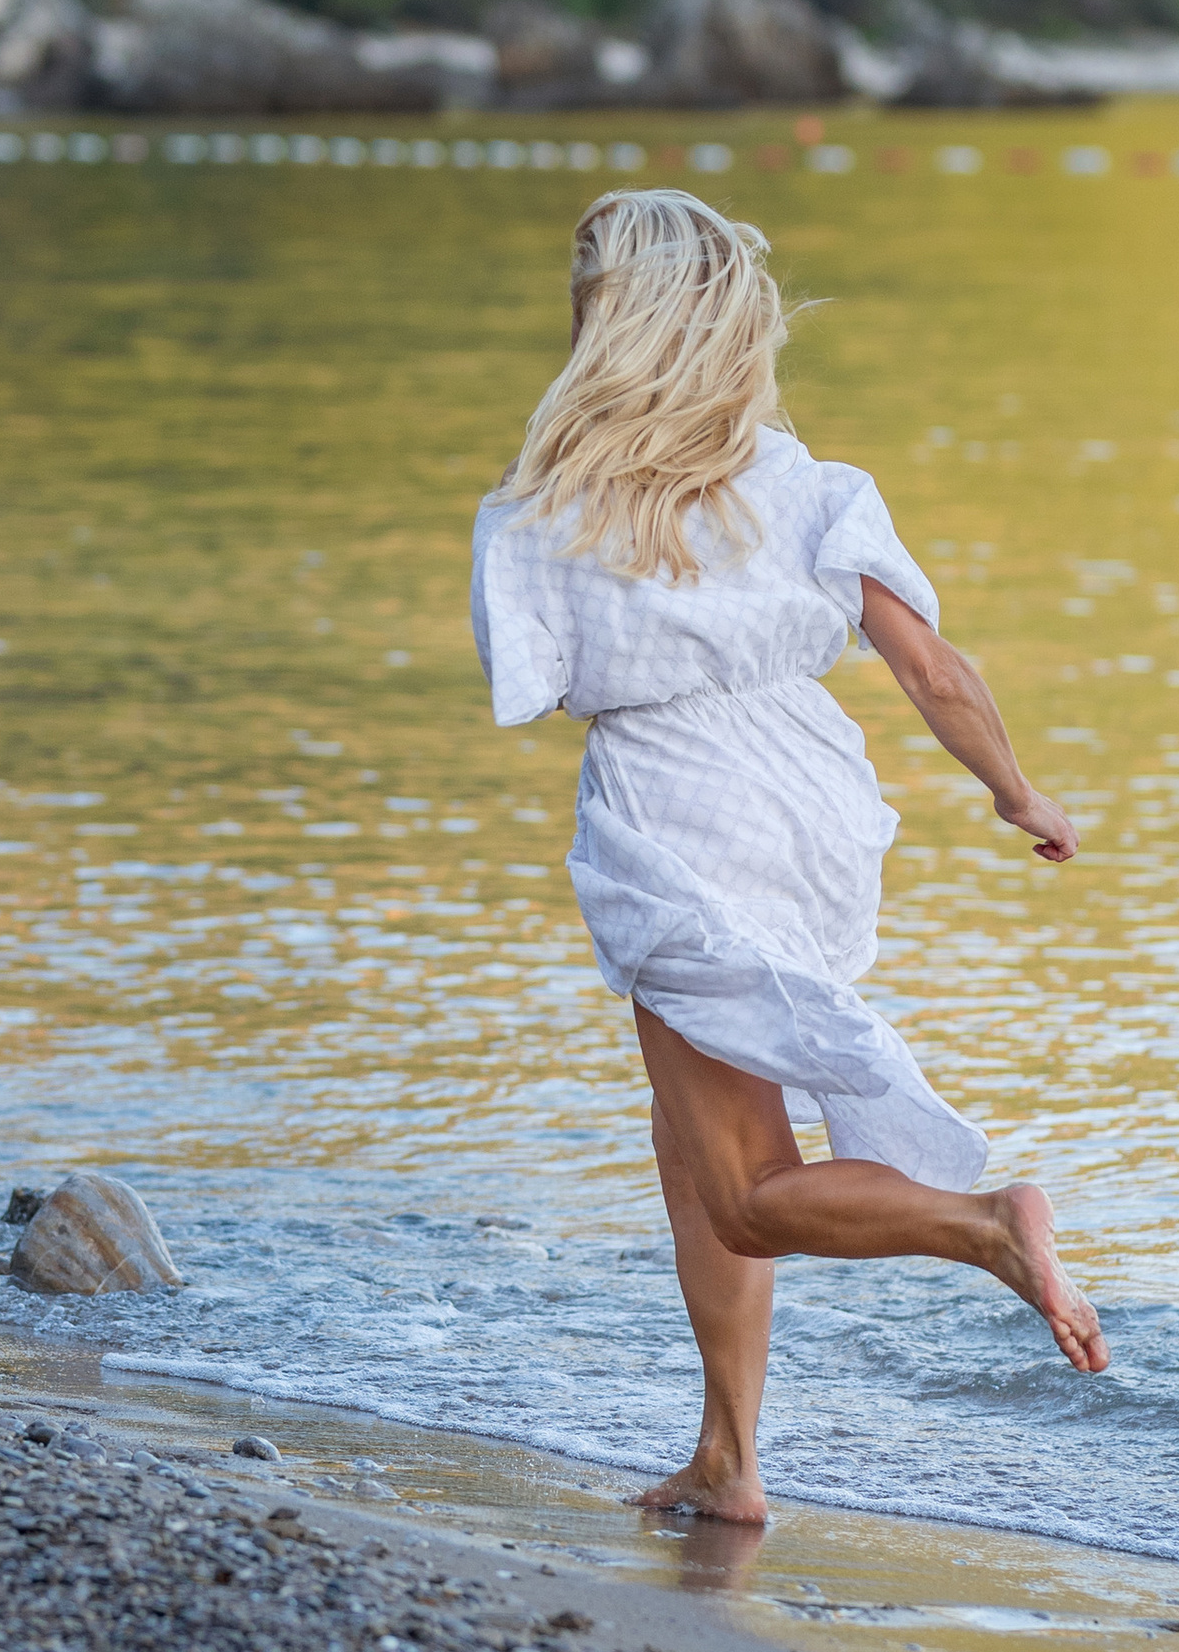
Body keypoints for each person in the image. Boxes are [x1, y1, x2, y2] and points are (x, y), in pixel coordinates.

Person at [472, 188, 1105, 1527]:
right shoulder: (815, 485)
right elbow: (930, 668)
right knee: (690, 1140)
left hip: (678, 816)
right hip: (815, 802)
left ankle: (990, 1224)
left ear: (605, 333)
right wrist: (1016, 790)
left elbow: (537, 685)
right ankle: (728, 1457)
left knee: (750, 1191)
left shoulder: (549, 511)